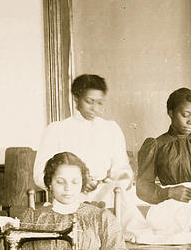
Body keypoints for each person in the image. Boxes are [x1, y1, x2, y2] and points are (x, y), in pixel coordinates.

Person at [33, 74, 132, 210]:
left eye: (99, 103)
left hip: (105, 202)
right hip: (67, 202)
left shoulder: (111, 129)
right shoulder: (57, 130)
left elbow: (123, 170)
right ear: (76, 98)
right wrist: (76, 182)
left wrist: (111, 180)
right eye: (89, 101)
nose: (95, 108)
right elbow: (40, 174)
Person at [136, 87, 191, 205]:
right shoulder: (156, 145)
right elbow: (143, 188)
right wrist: (169, 193)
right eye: (185, 115)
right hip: (171, 208)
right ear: (171, 113)